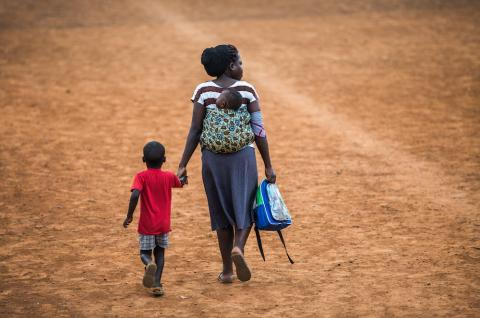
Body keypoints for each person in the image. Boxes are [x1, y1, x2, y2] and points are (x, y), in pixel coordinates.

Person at [177, 44, 276, 283]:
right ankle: (239, 248)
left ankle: (227, 271)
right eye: (240, 63)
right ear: (230, 66)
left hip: (212, 160)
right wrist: (268, 165)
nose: (242, 67)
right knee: (246, 207)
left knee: (221, 214)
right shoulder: (247, 90)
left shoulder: (203, 91)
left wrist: (182, 164)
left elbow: (195, 130)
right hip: (243, 157)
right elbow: (259, 130)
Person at [123, 141, 185, 296]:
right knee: (160, 253)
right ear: (164, 159)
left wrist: (129, 215)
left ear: (143, 159)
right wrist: (184, 174)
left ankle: (149, 263)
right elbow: (181, 182)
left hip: (147, 225)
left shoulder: (141, 177)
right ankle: (157, 283)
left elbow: (135, 194)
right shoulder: (169, 177)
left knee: (145, 252)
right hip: (163, 224)